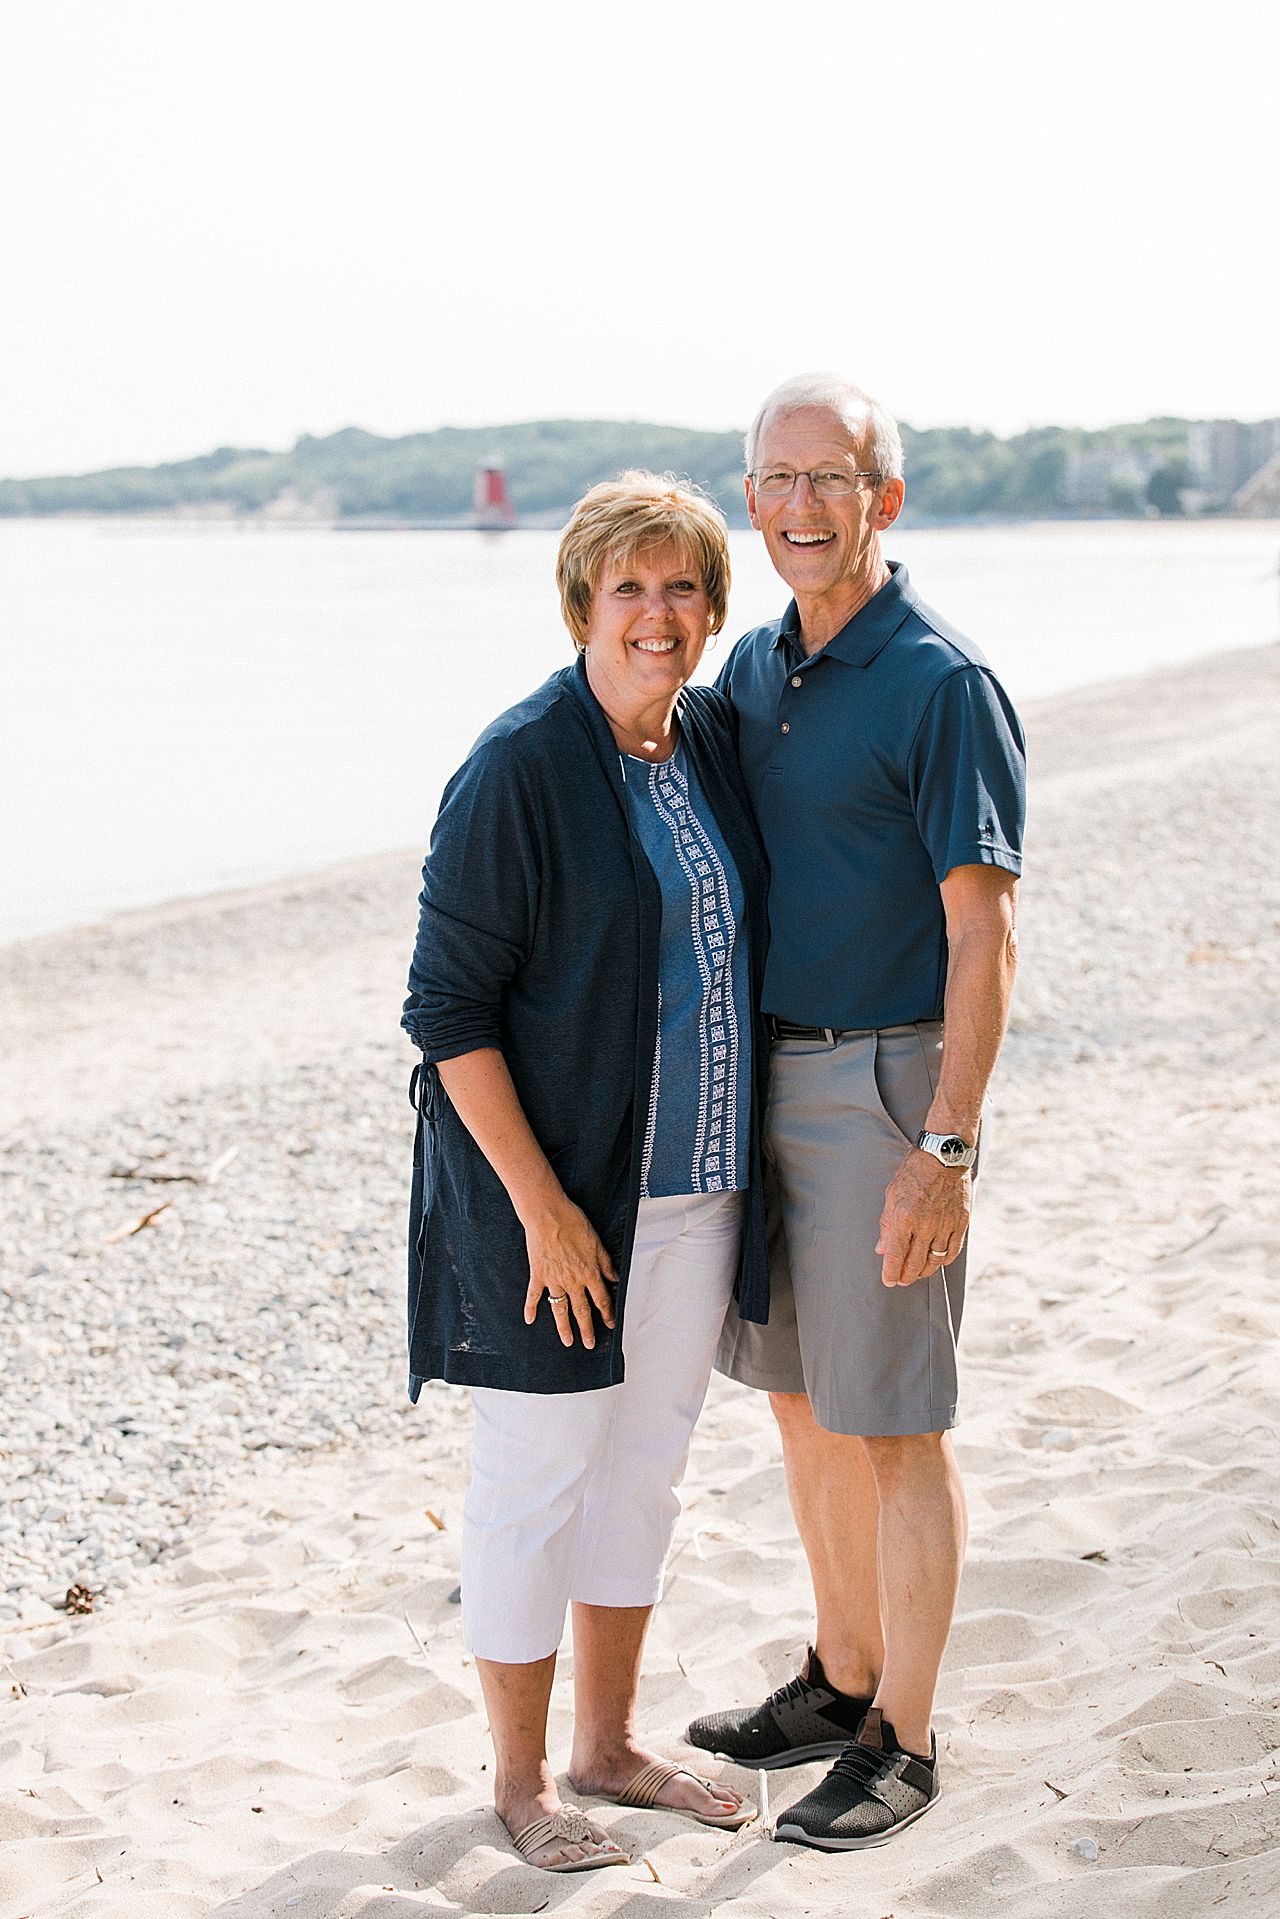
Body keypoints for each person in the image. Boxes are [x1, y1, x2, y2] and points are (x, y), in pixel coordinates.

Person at [401, 472, 770, 1873]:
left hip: (699, 1188)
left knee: (648, 1474)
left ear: (710, 609)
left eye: (682, 588)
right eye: (630, 589)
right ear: (581, 605)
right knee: (536, 1477)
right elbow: (447, 1016)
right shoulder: (518, 768)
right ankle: (518, 1777)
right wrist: (544, 1211)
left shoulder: (703, 753)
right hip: (553, 1203)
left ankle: (609, 1746)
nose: (658, 615)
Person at [686, 374, 1026, 1850]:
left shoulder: (942, 682)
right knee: (802, 1404)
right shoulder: (759, 673)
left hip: (888, 1084)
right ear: (750, 499)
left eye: (833, 480)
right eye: (777, 480)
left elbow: (984, 937)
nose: (803, 508)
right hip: (765, 1077)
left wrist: (945, 1147)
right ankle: (838, 1676)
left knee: (895, 1425)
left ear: (885, 499)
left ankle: (908, 1735)